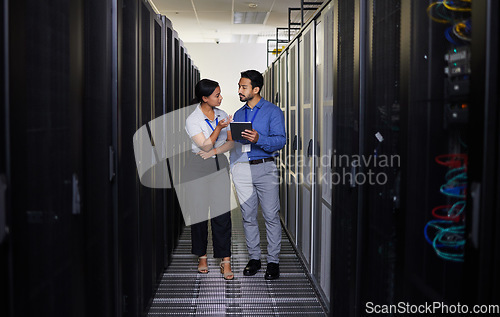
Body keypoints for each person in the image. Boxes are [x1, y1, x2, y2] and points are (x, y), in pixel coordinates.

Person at [230, 70, 286, 280]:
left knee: (271, 216)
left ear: (256, 89)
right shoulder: (238, 114)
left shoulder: (273, 111)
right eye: (239, 86)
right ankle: (254, 258)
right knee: (248, 217)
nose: (239, 91)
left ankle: (273, 262)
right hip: (243, 169)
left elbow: (281, 140)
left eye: (243, 87)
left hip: (265, 167)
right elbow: (236, 144)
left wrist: (258, 138)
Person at [184, 79, 234, 280]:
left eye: (220, 94)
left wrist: (214, 150)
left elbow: (231, 143)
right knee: (199, 213)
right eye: (217, 95)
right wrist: (219, 129)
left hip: (219, 164)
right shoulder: (192, 119)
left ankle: (226, 260)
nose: (221, 98)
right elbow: (203, 146)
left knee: (222, 214)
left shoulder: (222, 114)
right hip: (197, 166)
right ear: (204, 98)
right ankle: (202, 257)